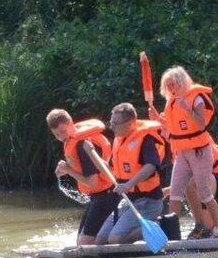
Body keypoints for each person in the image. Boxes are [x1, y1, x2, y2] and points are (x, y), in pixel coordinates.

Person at [149, 66, 218, 237]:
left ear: (181, 82)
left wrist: (187, 109)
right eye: (167, 86)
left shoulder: (195, 98)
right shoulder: (171, 102)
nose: (170, 89)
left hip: (200, 151)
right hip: (182, 152)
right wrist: (158, 119)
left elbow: (200, 124)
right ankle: (171, 233)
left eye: (173, 85)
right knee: (175, 192)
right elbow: (173, 127)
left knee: (204, 192)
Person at [46, 109, 120, 246]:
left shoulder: (82, 145)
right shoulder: (71, 141)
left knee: (83, 244)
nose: (61, 137)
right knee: (79, 242)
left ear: (71, 124)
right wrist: (66, 168)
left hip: (107, 196)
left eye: (62, 131)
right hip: (97, 196)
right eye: (56, 134)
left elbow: (92, 182)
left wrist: (68, 170)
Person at [96, 103, 165, 245]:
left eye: (115, 123)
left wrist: (129, 184)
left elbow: (151, 166)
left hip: (148, 201)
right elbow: (108, 168)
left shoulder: (146, 139)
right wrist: (92, 155)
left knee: (115, 239)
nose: (112, 126)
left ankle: (159, 227)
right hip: (128, 200)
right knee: (101, 240)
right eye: (111, 122)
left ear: (130, 124)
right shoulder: (119, 140)